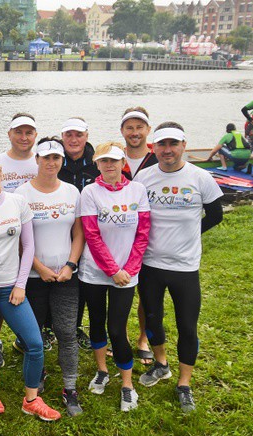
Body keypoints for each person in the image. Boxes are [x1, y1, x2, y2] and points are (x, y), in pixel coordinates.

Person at [0, 153, 60, 421]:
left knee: (35, 343)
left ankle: (31, 399)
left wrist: (20, 284)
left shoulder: (18, 202)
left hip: (11, 288)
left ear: (1, 172)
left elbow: (28, 247)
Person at [133, 123, 223, 413]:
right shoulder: (144, 177)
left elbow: (216, 214)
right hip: (151, 263)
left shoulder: (200, 177)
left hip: (185, 266)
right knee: (153, 318)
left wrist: (190, 236)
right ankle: (161, 364)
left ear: (184, 145)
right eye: (162, 144)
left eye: (173, 144)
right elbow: (134, 214)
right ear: (153, 147)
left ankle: (184, 384)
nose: (168, 150)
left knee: (187, 325)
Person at [14, 138, 85, 416]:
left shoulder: (71, 192)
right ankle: (39, 373)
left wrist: (70, 264)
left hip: (67, 276)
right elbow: (19, 240)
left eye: (56, 158)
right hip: (33, 276)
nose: (51, 163)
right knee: (35, 335)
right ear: (37, 160)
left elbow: (78, 233)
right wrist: (39, 268)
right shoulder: (22, 194)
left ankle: (70, 388)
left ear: (62, 161)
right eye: (46, 158)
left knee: (66, 332)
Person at [78, 142, 150, 412]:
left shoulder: (138, 190)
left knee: (117, 329)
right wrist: (112, 270)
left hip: (127, 273)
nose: (109, 165)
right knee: (96, 322)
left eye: (115, 161)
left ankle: (128, 385)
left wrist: (129, 270)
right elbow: (92, 235)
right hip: (95, 273)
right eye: (104, 161)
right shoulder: (90, 192)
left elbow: (143, 233)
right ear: (97, 164)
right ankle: (102, 370)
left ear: (123, 164)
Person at [0, 113, 40, 368]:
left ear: (35, 136)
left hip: (35, 232)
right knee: (0, 292)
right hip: (2, 239)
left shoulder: (40, 163)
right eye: (18, 132)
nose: (23, 137)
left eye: (29, 132)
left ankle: (28, 336)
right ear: (9, 134)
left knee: (34, 290)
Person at [120, 107, 157, 364]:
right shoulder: (112, 157)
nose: (135, 133)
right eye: (130, 128)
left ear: (148, 130)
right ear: (122, 130)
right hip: (118, 237)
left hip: (150, 237)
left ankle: (143, 338)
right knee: (118, 290)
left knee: (147, 291)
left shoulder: (159, 159)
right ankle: (118, 335)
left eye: (139, 128)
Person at [58, 117, 98, 351]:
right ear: (62, 137)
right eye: (68, 135)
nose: (73, 139)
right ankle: (50, 326)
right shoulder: (54, 160)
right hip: (61, 227)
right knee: (61, 275)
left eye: (79, 135)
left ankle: (76, 325)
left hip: (91, 231)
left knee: (83, 280)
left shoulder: (96, 162)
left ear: (86, 136)